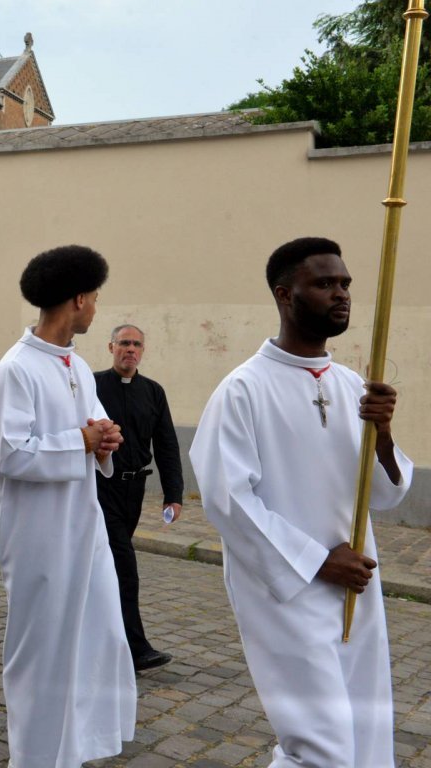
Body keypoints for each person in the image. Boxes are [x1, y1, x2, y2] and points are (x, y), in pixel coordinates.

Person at [190, 237, 411, 768]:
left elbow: (383, 493)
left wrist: (381, 433)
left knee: (363, 729)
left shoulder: (351, 383)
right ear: (285, 295)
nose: (341, 294)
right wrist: (317, 559)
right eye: (325, 283)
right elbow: (227, 499)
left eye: (345, 284)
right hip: (286, 589)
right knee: (319, 745)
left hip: (356, 584)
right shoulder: (243, 389)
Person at [0, 245, 135, 767]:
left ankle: (68, 753)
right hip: (38, 537)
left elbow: (91, 428)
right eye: (94, 297)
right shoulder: (16, 369)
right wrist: (84, 441)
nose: (96, 307)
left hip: (82, 528)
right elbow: (9, 454)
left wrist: (105, 440)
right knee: (41, 658)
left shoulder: (74, 364)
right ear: (78, 299)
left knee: (94, 642)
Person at [93, 323, 184, 672]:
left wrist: (173, 494)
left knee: (109, 568)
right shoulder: (94, 385)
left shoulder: (153, 391)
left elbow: (166, 444)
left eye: (137, 345)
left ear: (143, 351)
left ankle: (102, 639)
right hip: (103, 487)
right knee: (124, 567)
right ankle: (136, 648)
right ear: (111, 347)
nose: (130, 349)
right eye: (124, 343)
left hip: (135, 489)